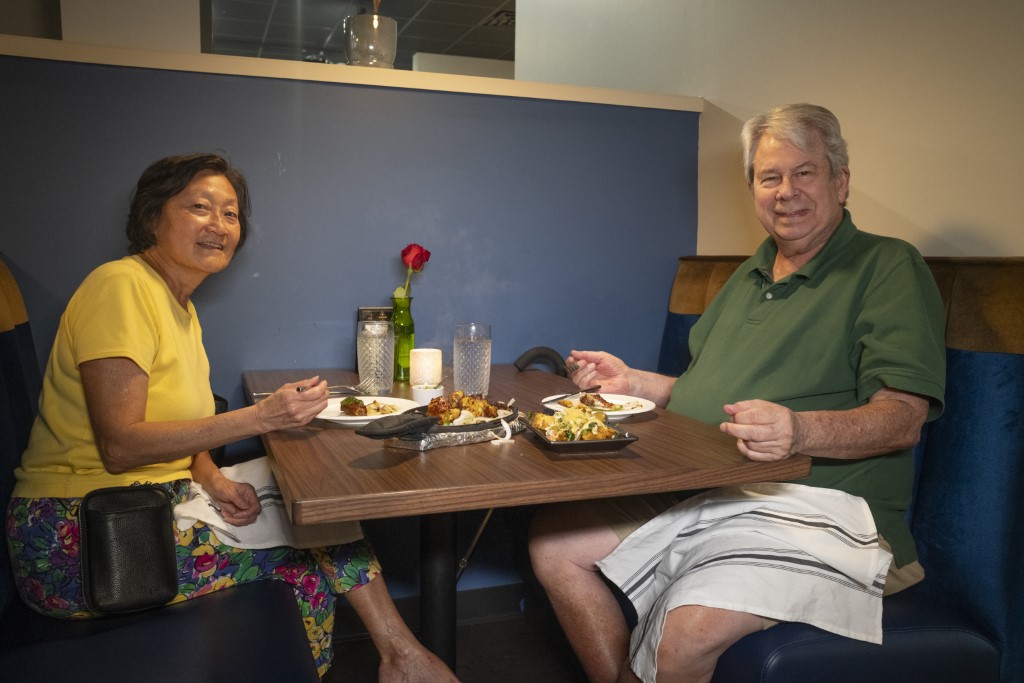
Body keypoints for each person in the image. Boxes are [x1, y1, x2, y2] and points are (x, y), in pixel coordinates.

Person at [528, 104, 946, 683]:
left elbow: (903, 419)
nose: (786, 192)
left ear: (841, 180)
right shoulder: (749, 274)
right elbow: (708, 391)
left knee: (686, 631)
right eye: (770, 177)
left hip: (828, 512)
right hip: (717, 491)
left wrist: (798, 431)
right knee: (555, 544)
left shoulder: (888, 265)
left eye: (804, 173)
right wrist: (637, 384)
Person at [5, 153, 458, 682]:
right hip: (82, 535)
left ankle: (402, 658)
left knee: (310, 499)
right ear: (152, 217)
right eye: (199, 207)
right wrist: (262, 416)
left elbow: (177, 433)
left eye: (230, 214)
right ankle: (402, 657)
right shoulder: (120, 287)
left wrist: (213, 478)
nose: (218, 225)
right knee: (304, 567)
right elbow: (121, 445)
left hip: (147, 505)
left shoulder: (180, 306)